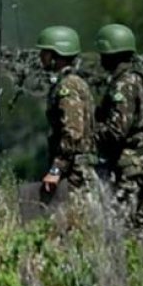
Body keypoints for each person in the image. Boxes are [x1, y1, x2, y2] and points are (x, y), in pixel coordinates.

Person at [93, 23, 143, 207]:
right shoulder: (137, 78)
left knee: (124, 225)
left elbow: (117, 131)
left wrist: (91, 131)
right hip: (141, 160)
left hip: (129, 165)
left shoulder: (123, 85)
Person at [37, 25, 97, 197]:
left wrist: (56, 169)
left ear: (56, 55)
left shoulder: (67, 87)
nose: (41, 57)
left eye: (45, 53)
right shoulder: (75, 82)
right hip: (75, 169)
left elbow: (73, 131)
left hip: (74, 173)